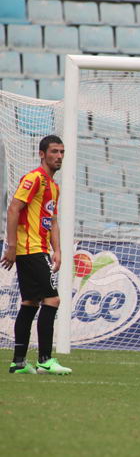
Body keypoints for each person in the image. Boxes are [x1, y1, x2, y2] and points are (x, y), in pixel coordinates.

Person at [2, 135, 71, 375]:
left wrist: (58, 250)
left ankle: (18, 362)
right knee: (52, 300)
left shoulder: (53, 186)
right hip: (29, 249)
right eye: (54, 151)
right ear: (42, 154)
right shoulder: (34, 179)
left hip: (39, 248)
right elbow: (13, 208)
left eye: (62, 152)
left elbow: (51, 220)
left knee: (30, 303)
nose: (59, 156)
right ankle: (45, 360)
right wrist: (11, 245)